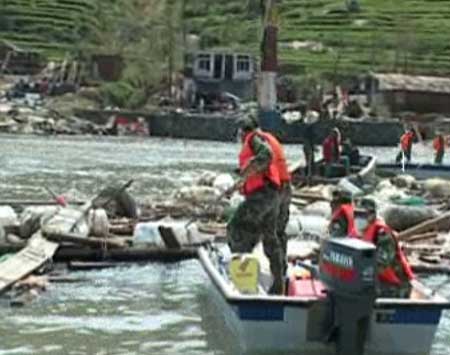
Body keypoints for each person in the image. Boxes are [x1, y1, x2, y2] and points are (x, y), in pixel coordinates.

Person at [227, 116, 285, 294]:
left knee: (236, 228)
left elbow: (265, 156)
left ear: (244, 130)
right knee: (270, 238)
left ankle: (241, 279)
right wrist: (241, 179)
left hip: (262, 195)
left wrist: (247, 170)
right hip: (273, 195)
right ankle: (278, 284)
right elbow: (256, 169)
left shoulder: (253, 139)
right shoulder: (257, 139)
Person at [360, 198, 415, 298]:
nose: (359, 218)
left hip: (396, 286)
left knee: (358, 291)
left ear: (372, 215)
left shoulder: (383, 235)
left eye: (364, 215)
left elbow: (381, 265)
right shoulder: (361, 231)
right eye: (357, 214)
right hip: (380, 281)